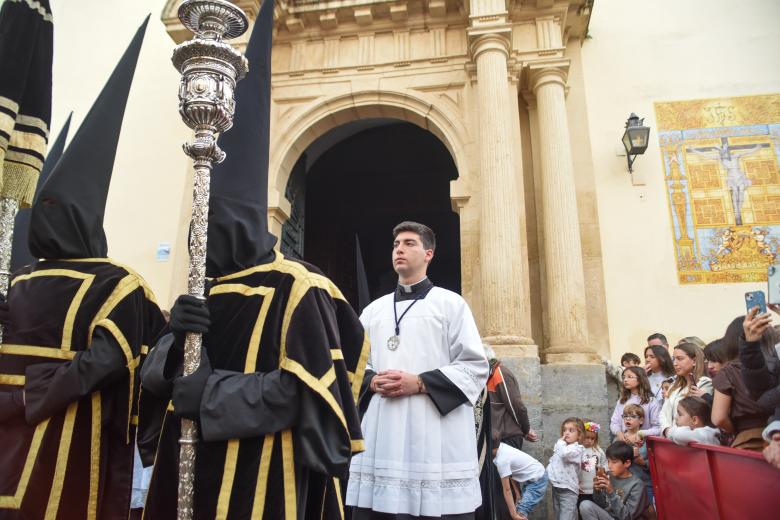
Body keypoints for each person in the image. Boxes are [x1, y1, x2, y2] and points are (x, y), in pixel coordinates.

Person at [142, 3, 367, 517]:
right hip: (189, 474)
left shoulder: (299, 288)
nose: (199, 241)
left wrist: (214, 394)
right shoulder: (205, 291)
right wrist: (173, 340)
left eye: (210, 227)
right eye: (194, 229)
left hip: (265, 480)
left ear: (239, 224)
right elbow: (156, 383)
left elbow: (311, 396)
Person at [0, 19, 167, 520]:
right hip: (48, 430)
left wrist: (24, 397)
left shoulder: (103, 284)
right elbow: (105, 360)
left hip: (53, 432)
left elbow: (109, 360)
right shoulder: (108, 282)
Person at [346, 221, 489, 519]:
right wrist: (372, 382)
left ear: (428, 254)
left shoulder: (451, 304)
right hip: (383, 431)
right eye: (396, 244)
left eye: (409, 243)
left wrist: (420, 383)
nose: (399, 249)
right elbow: (354, 362)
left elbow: (475, 366)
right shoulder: (373, 311)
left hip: (434, 433)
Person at [712, 314, 774, 451]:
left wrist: (737, 430)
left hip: (750, 440)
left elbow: (718, 418)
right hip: (776, 436)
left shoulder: (728, 371)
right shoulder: (775, 364)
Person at [578, 442, 650, 520]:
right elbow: (603, 505)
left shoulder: (637, 485)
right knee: (585, 505)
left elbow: (628, 516)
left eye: (614, 462)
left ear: (627, 463)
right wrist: (597, 490)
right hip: (609, 516)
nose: (609, 466)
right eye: (608, 461)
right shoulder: (609, 476)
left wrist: (611, 492)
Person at [661, 342, 713, 435]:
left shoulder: (705, 383)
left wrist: (675, 434)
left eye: (679, 359)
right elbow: (664, 413)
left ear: (694, 361)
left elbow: (698, 416)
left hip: (691, 439)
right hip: (670, 438)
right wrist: (666, 430)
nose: (674, 363)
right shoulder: (673, 386)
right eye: (673, 359)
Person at [488, 355, 537, 450]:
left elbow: (516, 406)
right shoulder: (487, 375)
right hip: (495, 438)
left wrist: (525, 430)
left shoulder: (499, 373)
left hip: (506, 438)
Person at [493, 441, 548, 520]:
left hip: (538, 479)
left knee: (520, 514)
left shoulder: (501, 460)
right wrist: (518, 494)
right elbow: (511, 473)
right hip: (534, 477)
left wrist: (514, 515)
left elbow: (507, 490)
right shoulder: (502, 447)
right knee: (519, 509)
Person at [547, 417, 585, 520]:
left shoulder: (578, 449)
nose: (566, 433)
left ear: (579, 435)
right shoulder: (562, 447)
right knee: (559, 515)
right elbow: (553, 462)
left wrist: (560, 443)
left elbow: (564, 454)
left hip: (569, 490)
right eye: (564, 430)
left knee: (566, 517)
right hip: (557, 487)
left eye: (571, 430)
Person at [609, 367, 660, 440]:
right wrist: (618, 433)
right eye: (624, 377)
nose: (625, 380)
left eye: (630, 377)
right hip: (624, 442)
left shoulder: (651, 401)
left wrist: (640, 434)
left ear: (640, 379)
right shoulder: (622, 400)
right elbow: (614, 422)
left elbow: (657, 427)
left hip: (644, 443)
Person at [620, 405, 654, 509]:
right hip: (624, 486)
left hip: (645, 484)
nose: (628, 419)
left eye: (632, 416)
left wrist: (642, 463)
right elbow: (613, 461)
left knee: (648, 513)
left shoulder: (648, 440)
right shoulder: (619, 439)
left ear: (641, 420)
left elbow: (655, 464)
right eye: (625, 416)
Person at [578, 421, 606, 511]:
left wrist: (603, 470)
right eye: (586, 438)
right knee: (581, 511)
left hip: (595, 489)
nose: (589, 441)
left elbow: (604, 463)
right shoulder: (577, 450)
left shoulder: (597, 450)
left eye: (592, 438)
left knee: (594, 510)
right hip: (580, 490)